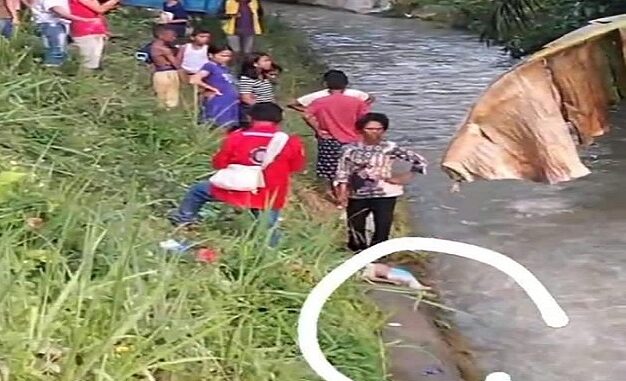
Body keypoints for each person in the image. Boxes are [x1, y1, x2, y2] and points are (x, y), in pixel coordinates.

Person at [168, 103, 306, 246]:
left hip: (236, 188)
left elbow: (219, 163)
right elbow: (296, 167)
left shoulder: (237, 137)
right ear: (279, 120)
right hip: (270, 192)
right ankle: (272, 250)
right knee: (268, 225)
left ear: (250, 117)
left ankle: (184, 220)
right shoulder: (290, 142)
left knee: (198, 191)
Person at [335, 113, 427, 252]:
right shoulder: (349, 149)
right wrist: (342, 193)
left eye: (379, 129)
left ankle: (377, 256)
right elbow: (342, 171)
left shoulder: (389, 148)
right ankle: (357, 254)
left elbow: (420, 160)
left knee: (382, 227)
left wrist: (405, 177)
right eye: (370, 129)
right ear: (361, 130)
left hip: (385, 193)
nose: (375, 132)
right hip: (358, 193)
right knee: (355, 225)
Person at [303, 69, 370, 205]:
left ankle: (339, 198)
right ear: (346, 84)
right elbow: (365, 121)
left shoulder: (320, 101)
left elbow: (306, 115)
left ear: (326, 84)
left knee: (332, 170)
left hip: (329, 140)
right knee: (352, 170)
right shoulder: (356, 102)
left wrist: (318, 130)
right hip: (353, 140)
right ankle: (349, 196)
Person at [30, 0, 97, 67]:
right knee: (55, 52)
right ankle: (52, 72)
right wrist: (83, 20)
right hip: (52, 24)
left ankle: (54, 70)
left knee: (59, 51)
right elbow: (58, 10)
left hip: (54, 24)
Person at [190, 44, 240, 129]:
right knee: (217, 126)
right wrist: (211, 88)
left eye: (228, 56)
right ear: (211, 55)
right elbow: (194, 79)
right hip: (218, 102)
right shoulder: (209, 66)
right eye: (223, 55)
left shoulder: (225, 68)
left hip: (229, 102)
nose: (226, 58)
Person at [69, 0, 119, 70]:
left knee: (94, 61)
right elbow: (100, 9)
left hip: (93, 30)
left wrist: (104, 29)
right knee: (88, 64)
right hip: (86, 31)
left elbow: (97, 13)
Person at [238, 52, 281, 126]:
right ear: (255, 64)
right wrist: (259, 110)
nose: (269, 63)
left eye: (269, 60)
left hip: (268, 109)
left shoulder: (263, 77)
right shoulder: (247, 78)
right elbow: (246, 98)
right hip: (257, 112)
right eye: (265, 61)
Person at [150, 24, 181, 108]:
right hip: (169, 73)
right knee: (171, 98)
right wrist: (181, 52)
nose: (174, 38)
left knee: (160, 98)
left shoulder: (153, 46)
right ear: (161, 35)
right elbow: (177, 64)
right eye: (172, 36)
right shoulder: (165, 50)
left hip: (158, 73)